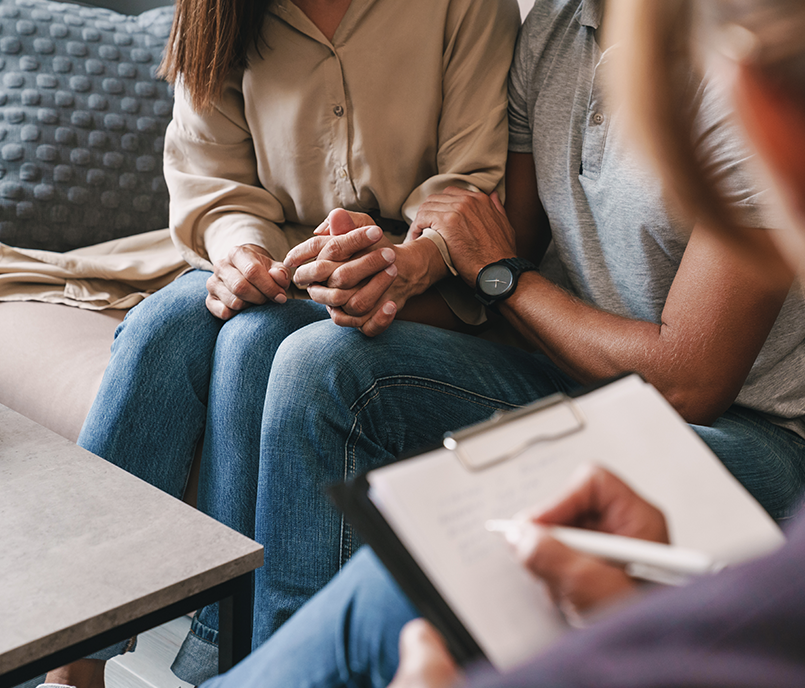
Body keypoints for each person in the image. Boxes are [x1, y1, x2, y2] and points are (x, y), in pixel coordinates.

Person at [188, 0, 805, 685]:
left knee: (391, 588)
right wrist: (386, 277)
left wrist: (499, 276)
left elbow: (686, 380)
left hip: (749, 434)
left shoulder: (736, 63)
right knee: (304, 350)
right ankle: (239, 656)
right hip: (577, 376)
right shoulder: (554, 28)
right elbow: (508, 248)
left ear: (780, 129)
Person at [45, 1, 519, 687]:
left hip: (416, 271)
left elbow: (473, 180)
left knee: (253, 339)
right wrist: (241, 253)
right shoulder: (217, 12)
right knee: (162, 325)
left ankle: (233, 659)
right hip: (280, 253)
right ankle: (70, 668)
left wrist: (404, 256)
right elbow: (214, 180)